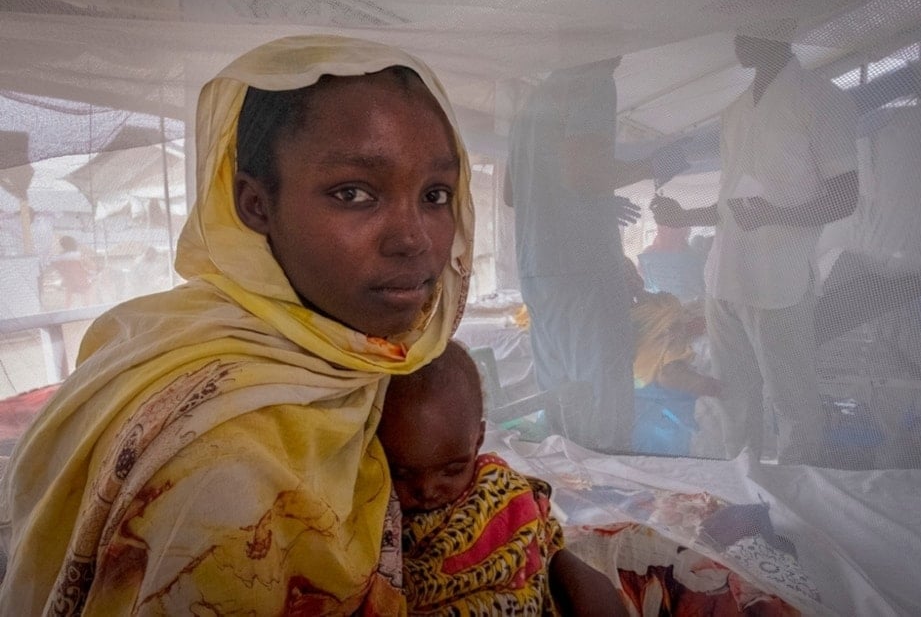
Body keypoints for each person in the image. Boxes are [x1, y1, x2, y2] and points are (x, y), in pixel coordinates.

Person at [0, 35, 475, 615]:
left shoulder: (355, 358)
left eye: (436, 194)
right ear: (254, 203)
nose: (414, 239)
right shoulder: (224, 476)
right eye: (353, 193)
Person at [652, 25, 859, 465]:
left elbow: (846, 196)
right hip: (724, 277)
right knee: (733, 394)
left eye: (749, 30)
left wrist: (775, 215)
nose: (736, 41)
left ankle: (797, 488)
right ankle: (741, 481)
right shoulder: (735, 111)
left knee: (791, 398)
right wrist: (684, 216)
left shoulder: (822, 100)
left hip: (779, 279)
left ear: (777, 31)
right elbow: (731, 205)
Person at [378, 340, 627, 616]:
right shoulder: (373, 513)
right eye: (400, 473)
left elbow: (546, 547)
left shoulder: (503, 491)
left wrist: (567, 572)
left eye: (452, 469)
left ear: (479, 440)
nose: (427, 489)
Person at [503, 57, 652, 451]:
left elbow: (511, 193)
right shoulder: (594, 82)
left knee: (563, 400)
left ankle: (564, 501)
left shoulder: (534, 101)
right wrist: (656, 163)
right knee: (605, 405)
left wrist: (595, 204)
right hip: (581, 267)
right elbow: (585, 174)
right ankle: (613, 499)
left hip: (537, 269)